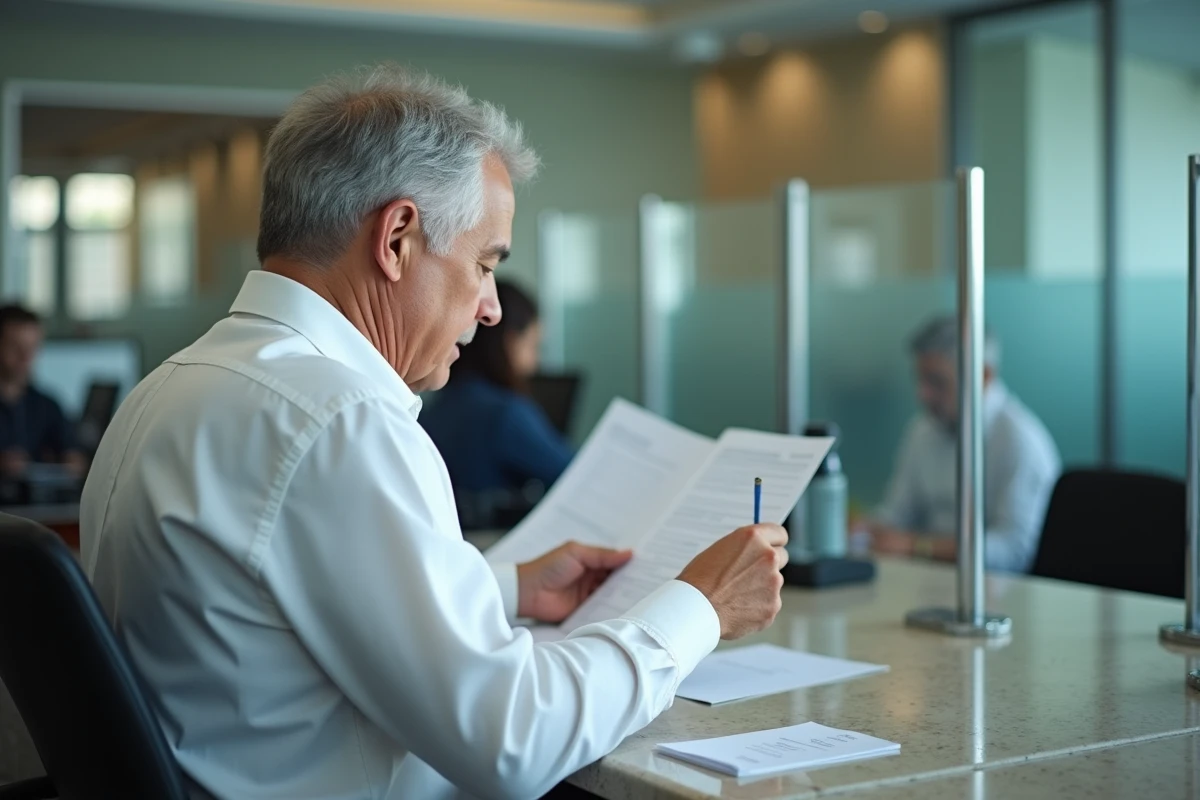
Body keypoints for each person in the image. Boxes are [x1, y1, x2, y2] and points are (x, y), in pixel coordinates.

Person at [80, 65, 788, 800]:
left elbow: (267, 599)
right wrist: (700, 606)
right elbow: (517, 741)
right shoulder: (342, 422)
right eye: (484, 265)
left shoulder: (170, 386)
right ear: (397, 239)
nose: (489, 309)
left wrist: (508, 586)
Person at [865, 316, 1061, 573]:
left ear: (984, 375)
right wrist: (867, 530)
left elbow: (1015, 551)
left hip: (997, 593)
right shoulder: (923, 429)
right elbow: (897, 514)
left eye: (937, 381)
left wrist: (918, 546)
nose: (922, 394)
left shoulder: (1020, 441)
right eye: (920, 380)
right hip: (927, 581)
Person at [421, 279, 572, 500]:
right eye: (533, 346)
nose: (536, 363)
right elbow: (575, 473)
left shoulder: (435, 405)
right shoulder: (505, 415)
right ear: (510, 342)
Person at [0, 304, 84, 478]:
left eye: (32, 348)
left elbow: (76, 458)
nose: (26, 357)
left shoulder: (47, 405)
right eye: (15, 347)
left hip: (36, 503)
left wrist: (68, 464)